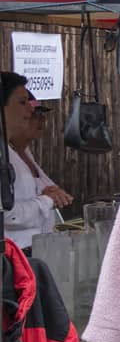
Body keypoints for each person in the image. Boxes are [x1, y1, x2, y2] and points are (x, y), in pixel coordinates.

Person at [3, 72, 70, 249]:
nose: (31, 109)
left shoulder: (11, 153)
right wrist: (45, 200)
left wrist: (42, 194)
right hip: (14, 259)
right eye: (22, 102)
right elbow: (7, 215)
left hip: (29, 255)